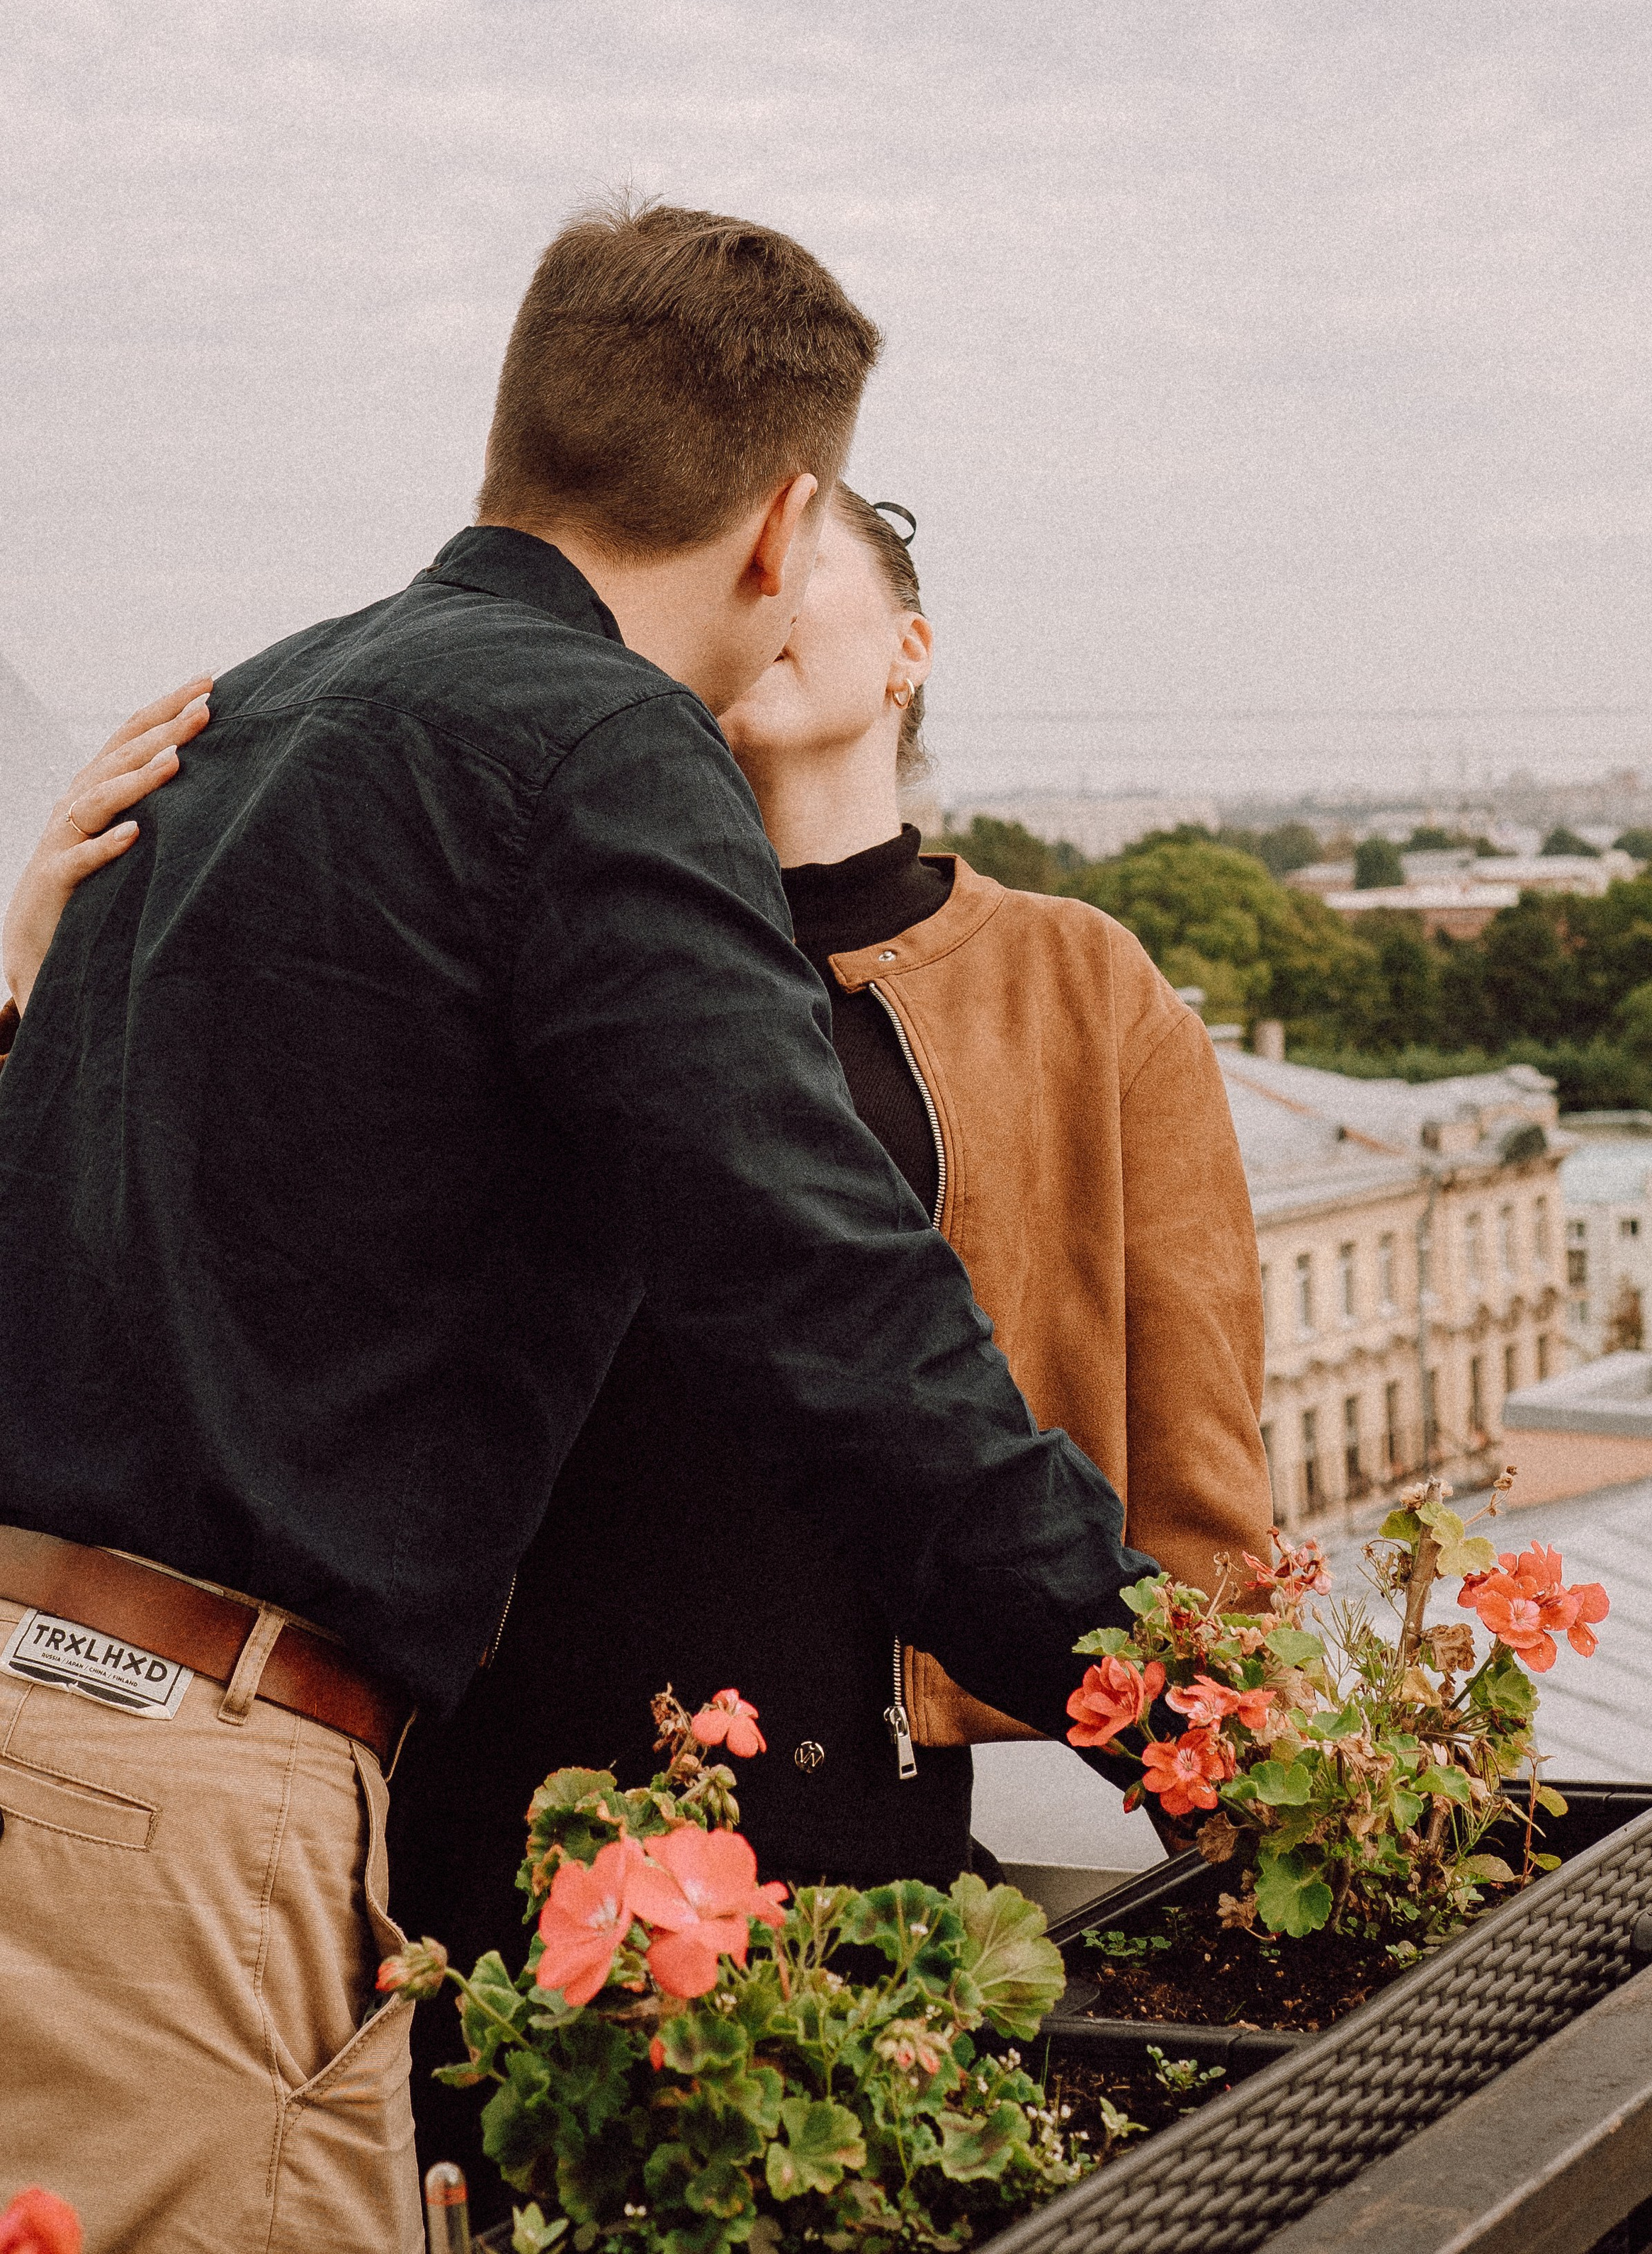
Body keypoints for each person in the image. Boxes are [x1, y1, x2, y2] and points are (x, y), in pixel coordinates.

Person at [0, 203, 1156, 2253]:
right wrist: (1156, 1693)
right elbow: (819, 1289)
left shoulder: (247, 713)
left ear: (514, 442)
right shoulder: (596, 741)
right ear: (784, 520)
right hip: (187, 1786)